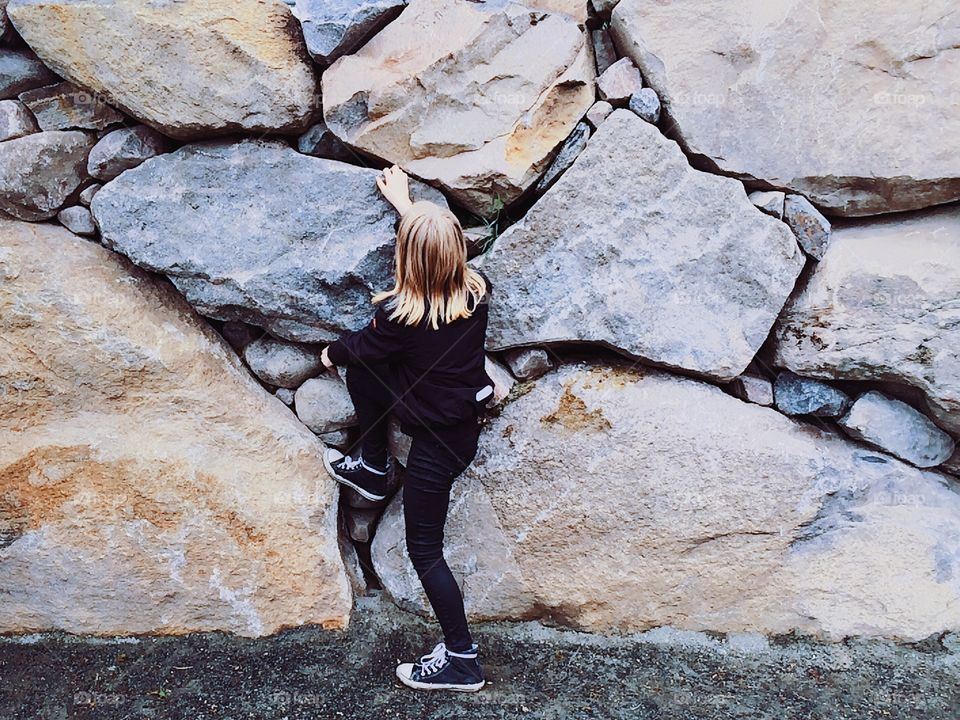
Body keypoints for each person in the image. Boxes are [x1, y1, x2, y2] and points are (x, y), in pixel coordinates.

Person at [320, 164, 494, 693]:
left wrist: (330, 352)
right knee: (374, 371)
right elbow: (433, 248)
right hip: (456, 423)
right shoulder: (475, 295)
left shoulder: (401, 318)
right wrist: (406, 205)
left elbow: (360, 348)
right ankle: (372, 465)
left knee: (425, 550)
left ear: (407, 261)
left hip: (438, 446)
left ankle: (462, 658)